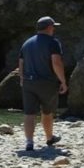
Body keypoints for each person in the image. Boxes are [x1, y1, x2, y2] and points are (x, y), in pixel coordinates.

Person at [19, 16, 67, 151]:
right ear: (49, 27)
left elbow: (21, 63)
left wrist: (22, 79)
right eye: (53, 26)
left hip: (29, 82)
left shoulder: (27, 43)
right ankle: (49, 137)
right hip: (47, 83)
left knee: (29, 113)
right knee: (47, 112)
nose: (54, 29)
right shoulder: (53, 42)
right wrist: (63, 81)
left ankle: (29, 142)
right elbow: (56, 63)